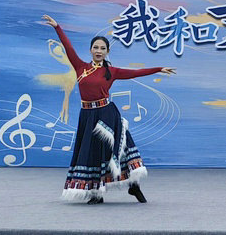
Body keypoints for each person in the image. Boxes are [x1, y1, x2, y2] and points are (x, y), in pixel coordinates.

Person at [42, 15, 175, 204]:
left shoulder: (112, 72)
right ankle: (97, 193)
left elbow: (135, 72)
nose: (99, 51)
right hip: (88, 116)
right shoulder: (80, 67)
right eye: (96, 48)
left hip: (106, 114)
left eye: (102, 48)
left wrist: (158, 69)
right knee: (93, 153)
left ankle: (133, 186)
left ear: (107, 52)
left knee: (118, 151)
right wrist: (57, 27)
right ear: (90, 50)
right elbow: (68, 47)